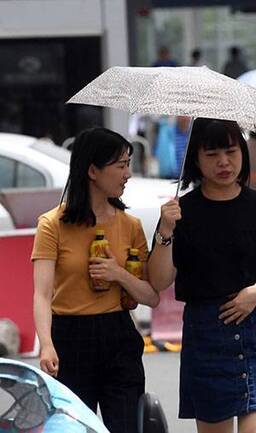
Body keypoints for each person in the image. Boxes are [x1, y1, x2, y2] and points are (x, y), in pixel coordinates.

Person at [147, 118, 256, 433]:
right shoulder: (180, 213)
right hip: (206, 333)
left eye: (231, 151)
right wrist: (165, 231)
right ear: (196, 160)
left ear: (243, 153)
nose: (224, 162)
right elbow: (159, 281)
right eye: (212, 154)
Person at [31, 128, 160, 433]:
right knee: (74, 428)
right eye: (120, 165)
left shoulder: (131, 225)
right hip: (69, 338)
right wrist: (46, 344)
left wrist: (119, 274)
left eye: (129, 163)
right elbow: (41, 294)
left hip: (119, 336)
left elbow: (151, 296)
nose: (128, 173)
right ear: (92, 170)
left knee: (128, 426)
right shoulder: (52, 225)